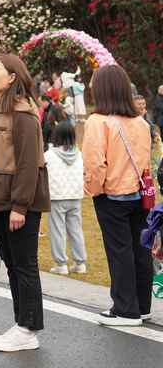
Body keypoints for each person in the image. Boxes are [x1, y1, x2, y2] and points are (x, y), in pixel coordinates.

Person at [0, 54, 50, 353]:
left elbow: (29, 164)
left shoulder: (23, 115)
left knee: (25, 264)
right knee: (14, 266)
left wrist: (20, 206)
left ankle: (29, 328)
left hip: (19, 204)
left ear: (13, 77)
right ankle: (21, 324)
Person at [83, 64, 153, 327]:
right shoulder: (141, 123)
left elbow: (94, 164)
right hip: (139, 194)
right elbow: (146, 162)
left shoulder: (97, 122)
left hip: (111, 195)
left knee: (119, 252)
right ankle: (141, 306)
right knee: (139, 249)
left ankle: (125, 310)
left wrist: (95, 190)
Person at [45, 121, 87, 275]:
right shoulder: (79, 154)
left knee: (58, 231)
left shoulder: (49, 155)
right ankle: (80, 262)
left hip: (57, 197)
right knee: (76, 230)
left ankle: (61, 264)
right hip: (75, 196)